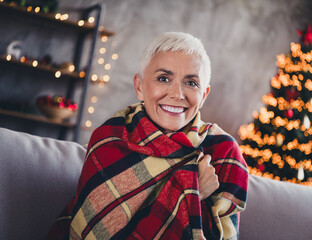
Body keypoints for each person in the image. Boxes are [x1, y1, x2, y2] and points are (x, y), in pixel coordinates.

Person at [47, 32, 248, 240]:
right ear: (139, 87)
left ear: (204, 95)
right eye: (163, 78)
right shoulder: (111, 138)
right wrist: (193, 189)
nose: (177, 94)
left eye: (191, 83)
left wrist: (186, 194)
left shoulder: (222, 151)